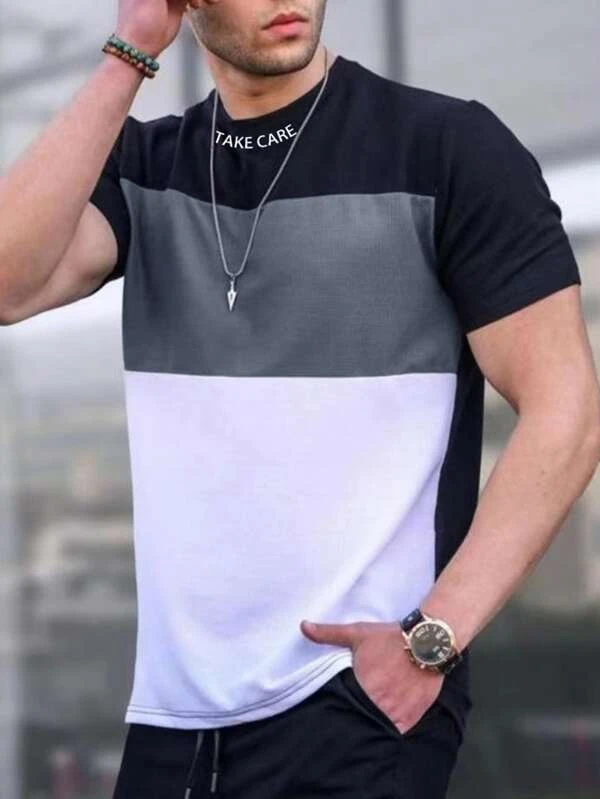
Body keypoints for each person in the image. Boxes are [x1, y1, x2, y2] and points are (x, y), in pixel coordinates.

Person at [1, 0, 599, 797]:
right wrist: (131, 47)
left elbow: (567, 410)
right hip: (174, 719)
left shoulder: (446, 148)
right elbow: (9, 281)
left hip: (355, 702)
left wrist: (432, 638)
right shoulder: (146, 170)